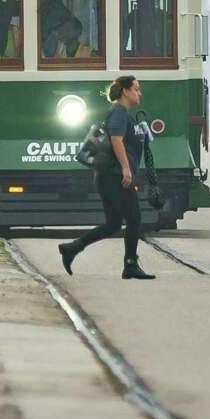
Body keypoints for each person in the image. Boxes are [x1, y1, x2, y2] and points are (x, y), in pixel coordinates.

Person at [59, 75, 155, 280]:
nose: (140, 93)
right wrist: (126, 169)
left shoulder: (122, 114)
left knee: (113, 224)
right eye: (136, 89)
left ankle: (72, 248)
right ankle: (130, 264)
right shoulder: (119, 114)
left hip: (107, 177)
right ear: (125, 92)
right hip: (115, 177)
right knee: (134, 220)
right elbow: (116, 141)